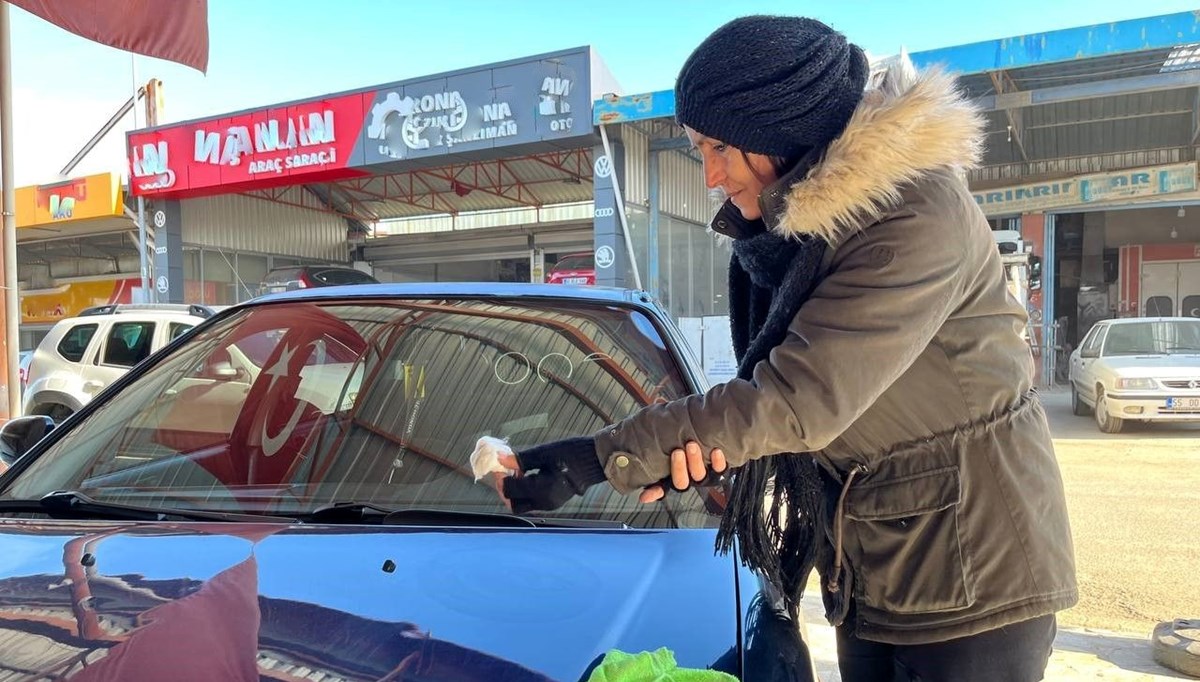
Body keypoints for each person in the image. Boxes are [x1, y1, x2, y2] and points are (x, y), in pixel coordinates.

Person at [495, 15, 1077, 682]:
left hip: (975, 571)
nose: (711, 175)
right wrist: (697, 455)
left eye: (720, 147)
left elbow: (793, 400)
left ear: (780, 130)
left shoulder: (916, 216)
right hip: (879, 561)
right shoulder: (793, 236)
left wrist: (592, 460)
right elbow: (768, 402)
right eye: (698, 149)